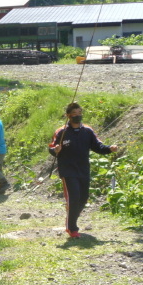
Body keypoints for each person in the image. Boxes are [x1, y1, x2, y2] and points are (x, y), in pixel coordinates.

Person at [49, 102, 118, 238]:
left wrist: (109, 148)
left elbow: (98, 146)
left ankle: (71, 218)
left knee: (83, 198)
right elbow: (52, 148)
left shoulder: (87, 131)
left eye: (80, 113)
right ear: (68, 116)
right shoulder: (61, 132)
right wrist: (55, 150)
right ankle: (72, 228)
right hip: (68, 171)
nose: (78, 116)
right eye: (74, 114)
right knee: (74, 198)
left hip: (83, 169)